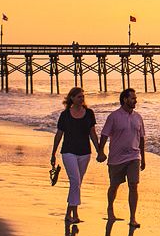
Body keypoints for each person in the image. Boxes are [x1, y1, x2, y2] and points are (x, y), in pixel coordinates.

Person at [50, 87, 103, 225]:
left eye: (83, 96)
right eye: (79, 96)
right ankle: (75, 213)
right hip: (68, 151)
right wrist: (53, 153)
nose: (82, 99)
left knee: (77, 183)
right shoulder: (65, 115)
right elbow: (59, 135)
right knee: (75, 181)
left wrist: (99, 151)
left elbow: (92, 133)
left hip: (85, 152)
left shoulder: (89, 113)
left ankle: (68, 213)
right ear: (72, 98)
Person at [99, 87, 146, 227]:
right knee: (114, 186)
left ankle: (132, 218)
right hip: (116, 158)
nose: (135, 101)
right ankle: (110, 208)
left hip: (134, 156)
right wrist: (100, 151)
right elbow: (104, 135)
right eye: (132, 98)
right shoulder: (113, 116)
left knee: (133, 185)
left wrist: (143, 158)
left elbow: (142, 138)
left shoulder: (138, 117)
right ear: (124, 99)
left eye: (135, 98)